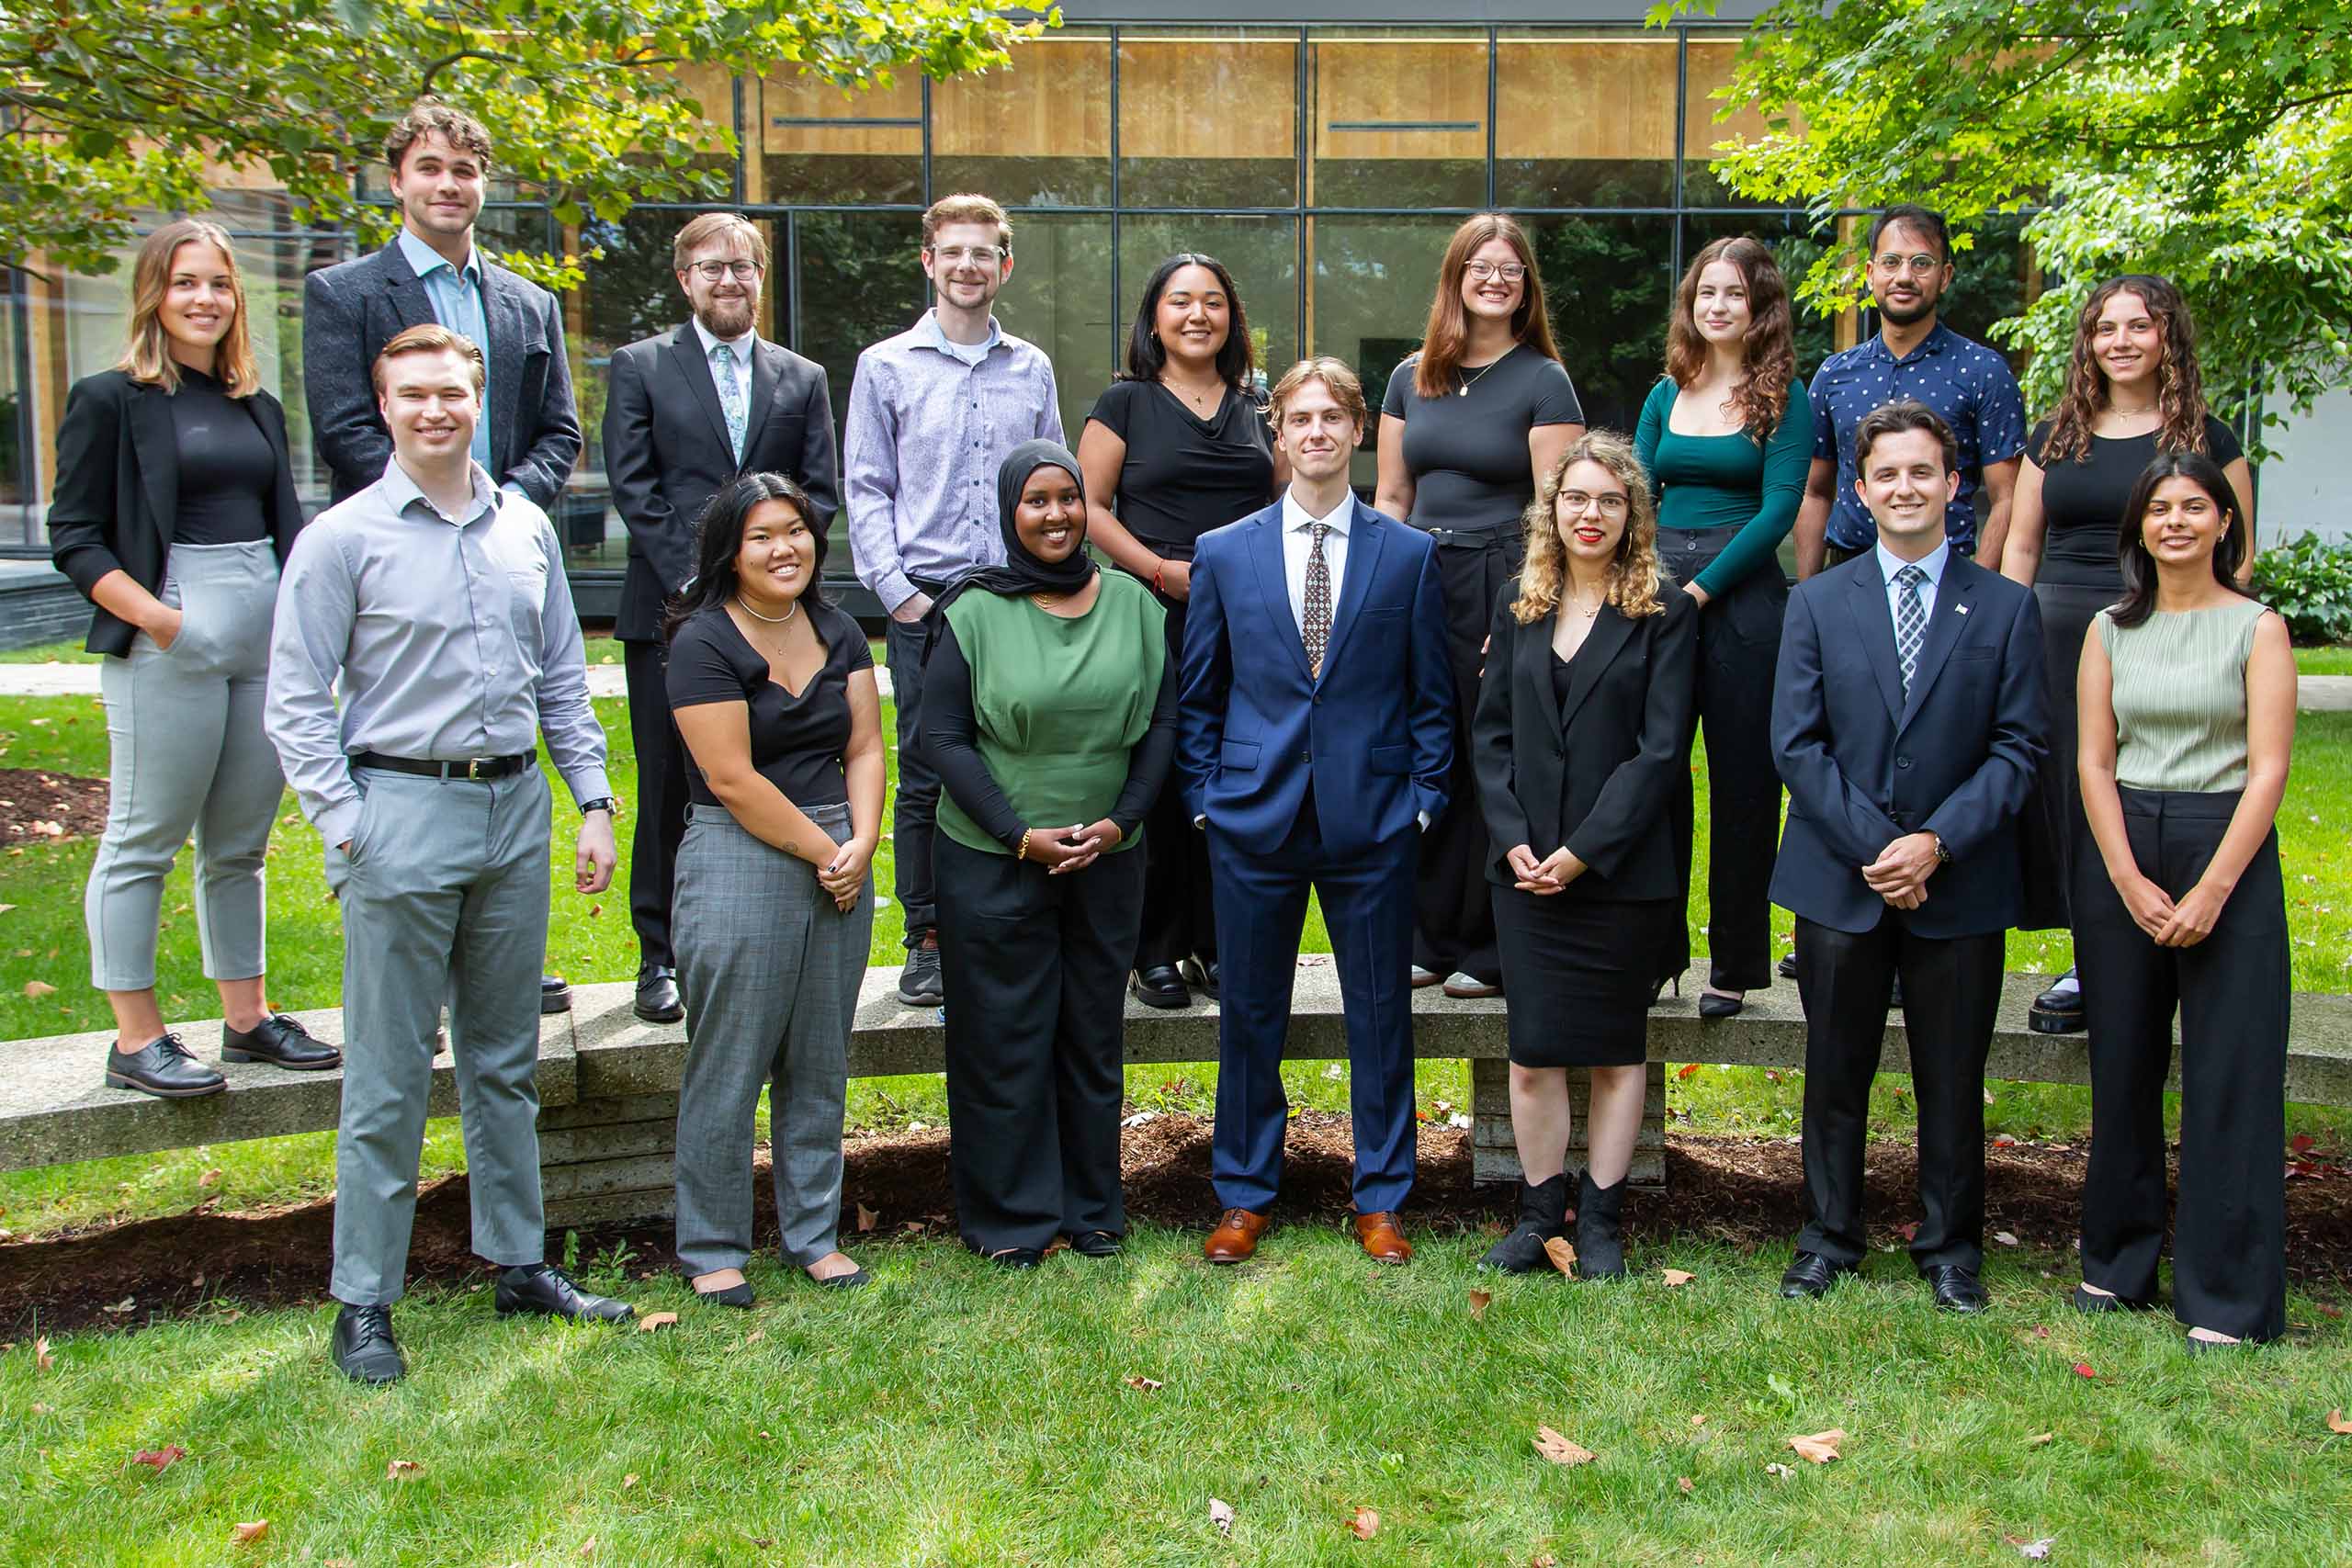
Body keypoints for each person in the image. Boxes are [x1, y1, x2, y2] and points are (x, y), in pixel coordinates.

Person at [266, 324, 629, 1384]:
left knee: (504, 1062)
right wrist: (347, 824)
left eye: (453, 393)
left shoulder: (525, 525)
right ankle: (365, 1300)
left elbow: (560, 672)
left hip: (513, 812)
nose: (436, 410)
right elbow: (294, 701)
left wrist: (595, 802)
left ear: (482, 402)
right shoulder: (342, 538)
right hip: (399, 813)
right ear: (383, 407)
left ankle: (519, 1264)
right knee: (387, 1077)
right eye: (414, 394)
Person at [302, 98, 582, 1015]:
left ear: (482, 184)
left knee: (511, 718)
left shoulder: (527, 303)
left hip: (505, 549)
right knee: (418, 738)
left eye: (464, 171)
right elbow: (346, 428)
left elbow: (558, 432)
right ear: (398, 181)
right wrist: (439, 500)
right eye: (429, 168)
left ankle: (501, 952)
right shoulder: (343, 294)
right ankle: (419, 956)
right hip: (403, 555)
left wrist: (503, 516)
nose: (448, 185)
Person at [47, 219, 338, 1098]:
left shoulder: (258, 405)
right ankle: (136, 1039)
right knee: (143, 840)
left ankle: (246, 1021)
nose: (203, 298)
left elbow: (290, 531)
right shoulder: (111, 399)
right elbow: (73, 537)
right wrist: (160, 621)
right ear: (154, 295)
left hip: (264, 642)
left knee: (240, 847)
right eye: (184, 283)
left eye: (218, 283)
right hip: (166, 639)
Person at [1769, 401, 2046, 1314]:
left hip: (1957, 882)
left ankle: (1950, 1249)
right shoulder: (1814, 601)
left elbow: (2017, 748)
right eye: (1885, 474)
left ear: (1952, 485)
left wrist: (1934, 843)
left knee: (1949, 1075)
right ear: (1858, 490)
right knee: (1834, 1066)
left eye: (1922, 471)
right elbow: (1796, 745)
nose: (1904, 488)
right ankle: (1827, 1237)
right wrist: (1877, 848)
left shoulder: (2004, 608)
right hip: (1838, 878)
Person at [1182, 358, 1453, 1267]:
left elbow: (1431, 695)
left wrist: (1421, 801)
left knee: (1380, 1015)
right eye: (1299, 418)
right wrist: (1202, 802)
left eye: (1333, 416)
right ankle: (1245, 1195)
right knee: (1248, 1014)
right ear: (1278, 433)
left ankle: (1380, 1198)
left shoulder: (1407, 554)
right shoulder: (1224, 551)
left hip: (1372, 818)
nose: (1317, 432)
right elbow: (1199, 696)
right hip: (1251, 817)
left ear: (1358, 431)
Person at [925, 442, 1174, 1267]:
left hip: (1110, 852)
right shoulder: (969, 611)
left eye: (1068, 497)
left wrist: (1121, 820)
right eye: (1035, 500)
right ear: (1009, 511)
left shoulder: (1136, 604)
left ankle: (1093, 1205)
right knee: (1004, 1037)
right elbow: (945, 741)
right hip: (993, 856)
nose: (1057, 514)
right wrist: (1017, 835)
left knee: (1091, 1032)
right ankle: (1011, 1218)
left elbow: (1164, 726)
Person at [2072, 453, 2294, 1349]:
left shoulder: (2258, 628)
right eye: (2157, 508)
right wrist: (2125, 877)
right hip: (2123, 845)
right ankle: (2115, 1267)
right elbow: (2091, 759)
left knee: (2228, 1076)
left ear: (2222, 524)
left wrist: (2210, 888)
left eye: (2192, 506)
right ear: (2137, 529)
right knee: (2122, 1068)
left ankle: (2227, 1298)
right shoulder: (2107, 630)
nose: (2174, 521)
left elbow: (2270, 767)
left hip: (2224, 843)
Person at [1997, 276, 2256, 1035]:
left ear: (2166, 335)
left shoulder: (2209, 437)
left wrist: (2204, 637)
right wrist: (2007, 631)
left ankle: (2169, 934)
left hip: (2161, 633)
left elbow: (2236, 555)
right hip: (2057, 633)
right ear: (2089, 342)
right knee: (2075, 796)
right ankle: (2092, 954)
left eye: (2137, 326)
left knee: (2144, 790)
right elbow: (2021, 540)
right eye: (2106, 328)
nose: (2120, 340)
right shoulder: (2056, 435)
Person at [605, 213, 842, 1028]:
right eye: (712, 268)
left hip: (778, 619)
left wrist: (767, 581)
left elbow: (819, 491)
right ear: (684, 279)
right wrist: (708, 588)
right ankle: (658, 953)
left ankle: (764, 928)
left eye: (743, 267)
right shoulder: (639, 367)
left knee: (771, 771)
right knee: (670, 780)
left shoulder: (800, 377)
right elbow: (634, 487)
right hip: (670, 614)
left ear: (761, 276)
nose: (729, 280)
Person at [1472, 433, 1696, 1278]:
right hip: (1523, 868)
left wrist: (1582, 853)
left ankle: (1600, 1218)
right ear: (1551, 511)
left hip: (1621, 872)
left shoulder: (1663, 613)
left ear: (1631, 512)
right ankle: (1538, 1215)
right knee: (1531, 1056)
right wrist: (1517, 838)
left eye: (1608, 500)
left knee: (1614, 1052)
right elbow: (1490, 734)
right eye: (1576, 499)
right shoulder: (1518, 603)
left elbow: (1662, 752)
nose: (1590, 514)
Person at [664, 474, 881, 1303]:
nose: (784, 547)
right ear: (731, 549)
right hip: (741, 851)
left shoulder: (838, 628)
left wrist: (862, 841)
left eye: (795, 530)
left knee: (820, 1059)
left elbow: (864, 747)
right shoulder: (703, 640)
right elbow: (731, 777)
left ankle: (814, 1234)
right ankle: (713, 1243)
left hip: (839, 854)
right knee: (731, 1059)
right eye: (762, 536)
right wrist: (832, 849)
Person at [844, 193, 1064, 1009]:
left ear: (1003, 267)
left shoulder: (1031, 368)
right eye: (954, 252)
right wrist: (900, 597)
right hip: (928, 601)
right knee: (929, 769)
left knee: (1016, 756)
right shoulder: (886, 365)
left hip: (1012, 599)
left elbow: (1051, 479)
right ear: (929, 262)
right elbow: (865, 486)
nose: (968, 266)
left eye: (984, 253)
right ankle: (929, 935)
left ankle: (1009, 915)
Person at [1374, 214, 1585, 999]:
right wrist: (1375, 586)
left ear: (1526, 287)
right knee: (1424, 753)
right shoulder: (1410, 377)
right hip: (1419, 574)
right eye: (1481, 267)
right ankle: (1429, 935)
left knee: (1490, 754)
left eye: (1511, 270)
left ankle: (1494, 943)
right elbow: (1392, 495)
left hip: (1503, 577)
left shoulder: (1542, 380)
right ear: (1455, 277)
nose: (1496, 280)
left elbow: (1554, 505)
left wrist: (1529, 607)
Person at [1075, 253, 1280, 1010]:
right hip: (1153, 611)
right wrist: (1162, 572)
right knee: (1159, 779)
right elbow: (1090, 508)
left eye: (1214, 302)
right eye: (1181, 301)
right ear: (1154, 317)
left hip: (1248, 617)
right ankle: (1153, 948)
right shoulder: (1124, 403)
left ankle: (1218, 941)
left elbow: (1287, 504)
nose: (1199, 315)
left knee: (1237, 773)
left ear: (1233, 318)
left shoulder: (1260, 407)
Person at [1634, 236, 1814, 1019]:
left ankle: (1734, 963)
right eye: (1705, 292)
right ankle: (1656, 951)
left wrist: (1702, 589)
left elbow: (1780, 507)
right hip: (1660, 591)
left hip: (1743, 601)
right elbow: (1634, 490)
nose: (1716, 306)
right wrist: (1654, 584)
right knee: (1654, 776)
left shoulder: (1786, 395)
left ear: (1760, 306)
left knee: (1744, 784)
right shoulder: (1665, 392)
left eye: (1733, 294)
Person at [1792, 203, 2026, 578]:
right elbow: (1815, 493)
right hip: (1848, 574)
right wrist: (1809, 591)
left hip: (1950, 574)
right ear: (1870, 273)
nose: (1904, 276)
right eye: (1891, 262)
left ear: (1945, 276)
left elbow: (2008, 498)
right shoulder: (1834, 375)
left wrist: (1980, 591)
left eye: (1921, 263)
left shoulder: (1983, 371)